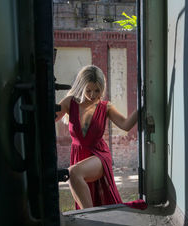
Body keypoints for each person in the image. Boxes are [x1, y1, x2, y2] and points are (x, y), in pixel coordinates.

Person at [55, 65, 141, 209]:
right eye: (88, 90)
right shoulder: (70, 102)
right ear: (81, 87)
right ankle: (89, 217)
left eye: (97, 90)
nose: (93, 95)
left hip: (99, 155)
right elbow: (48, 118)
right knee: (74, 178)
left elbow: (125, 125)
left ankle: (90, 219)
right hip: (79, 154)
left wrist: (142, 105)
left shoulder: (105, 107)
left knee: (73, 173)